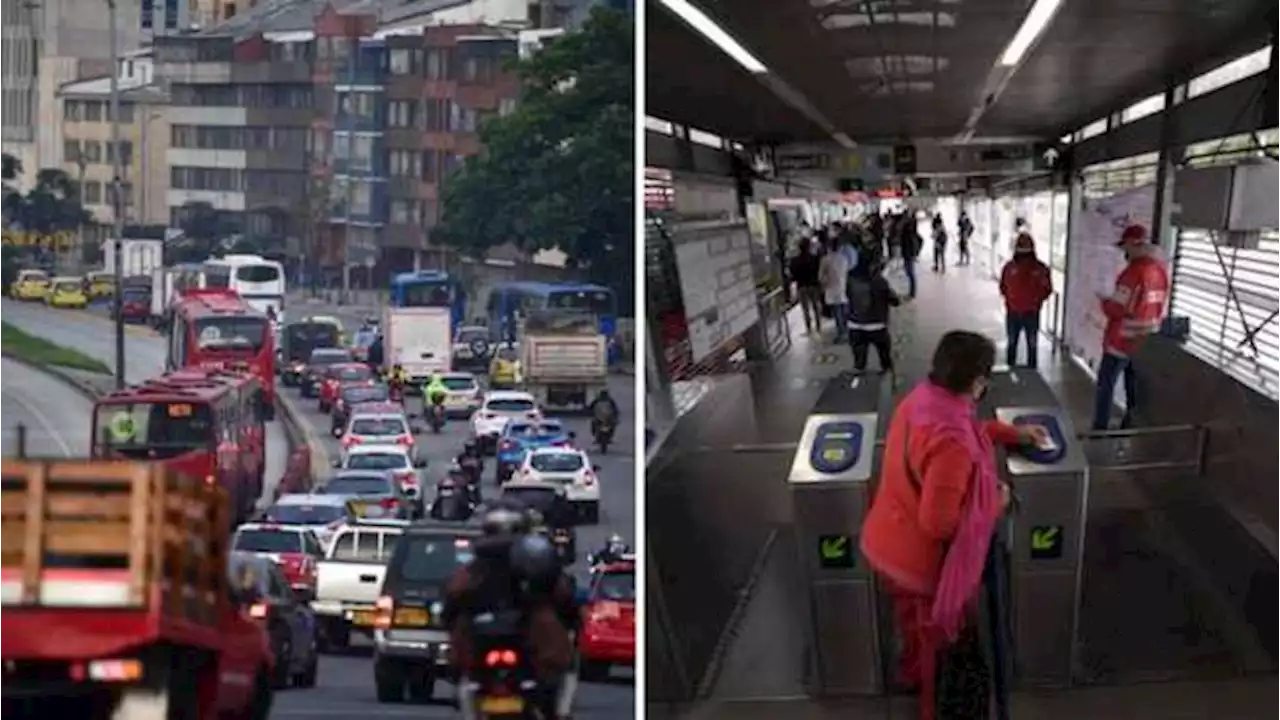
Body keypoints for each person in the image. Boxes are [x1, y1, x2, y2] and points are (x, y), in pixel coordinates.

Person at [860, 331, 1050, 720]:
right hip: (919, 560)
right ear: (978, 382)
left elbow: (967, 430)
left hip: (888, 540)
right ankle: (933, 706)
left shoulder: (923, 399)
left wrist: (1010, 433)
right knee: (940, 648)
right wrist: (993, 504)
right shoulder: (953, 441)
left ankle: (911, 674)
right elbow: (940, 523)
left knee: (913, 627)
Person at [442, 503, 578, 720]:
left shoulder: (477, 570)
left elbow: (452, 601)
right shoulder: (536, 564)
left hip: (522, 648)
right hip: (508, 648)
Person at [1092, 223, 1169, 431]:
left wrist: (1103, 301)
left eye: (1125, 247)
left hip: (1121, 341)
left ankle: (1100, 428)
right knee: (1134, 388)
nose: (1124, 252)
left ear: (1134, 245)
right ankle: (1130, 424)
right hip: (1146, 342)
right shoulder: (1160, 271)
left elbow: (1117, 309)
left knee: (1105, 385)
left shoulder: (1132, 273)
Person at [999, 233, 1053, 369]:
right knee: (1031, 344)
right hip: (1029, 312)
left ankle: (1010, 371)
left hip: (1016, 312)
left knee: (1013, 343)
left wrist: (1012, 300)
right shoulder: (1041, 268)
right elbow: (1047, 289)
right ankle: (1031, 373)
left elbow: (1003, 288)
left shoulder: (1009, 268)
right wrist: (1036, 301)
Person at [846, 257, 901, 374]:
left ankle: (859, 368)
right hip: (876, 324)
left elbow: (848, 296)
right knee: (883, 350)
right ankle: (885, 368)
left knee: (858, 349)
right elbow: (895, 301)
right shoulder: (880, 281)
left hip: (855, 324)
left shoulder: (851, 280)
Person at [819, 235, 852, 342]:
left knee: (837, 313)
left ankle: (841, 334)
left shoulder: (826, 260)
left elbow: (820, 277)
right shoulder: (844, 258)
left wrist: (824, 285)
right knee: (845, 311)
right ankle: (847, 331)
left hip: (831, 289)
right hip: (843, 287)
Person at [789, 240, 824, 335]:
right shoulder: (815, 258)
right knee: (816, 306)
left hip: (802, 286)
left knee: (805, 309)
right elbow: (819, 272)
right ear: (809, 247)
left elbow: (793, 275)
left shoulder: (794, 260)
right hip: (813, 285)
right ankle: (818, 326)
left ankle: (808, 328)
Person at [900, 214, 921, 298]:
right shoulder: (910, 233)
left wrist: (914, 253)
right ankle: (911, 292)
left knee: (910, 272)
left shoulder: (909, 234)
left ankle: (912, 292)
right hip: (908, 254)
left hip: (908, 254)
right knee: (909, 272)